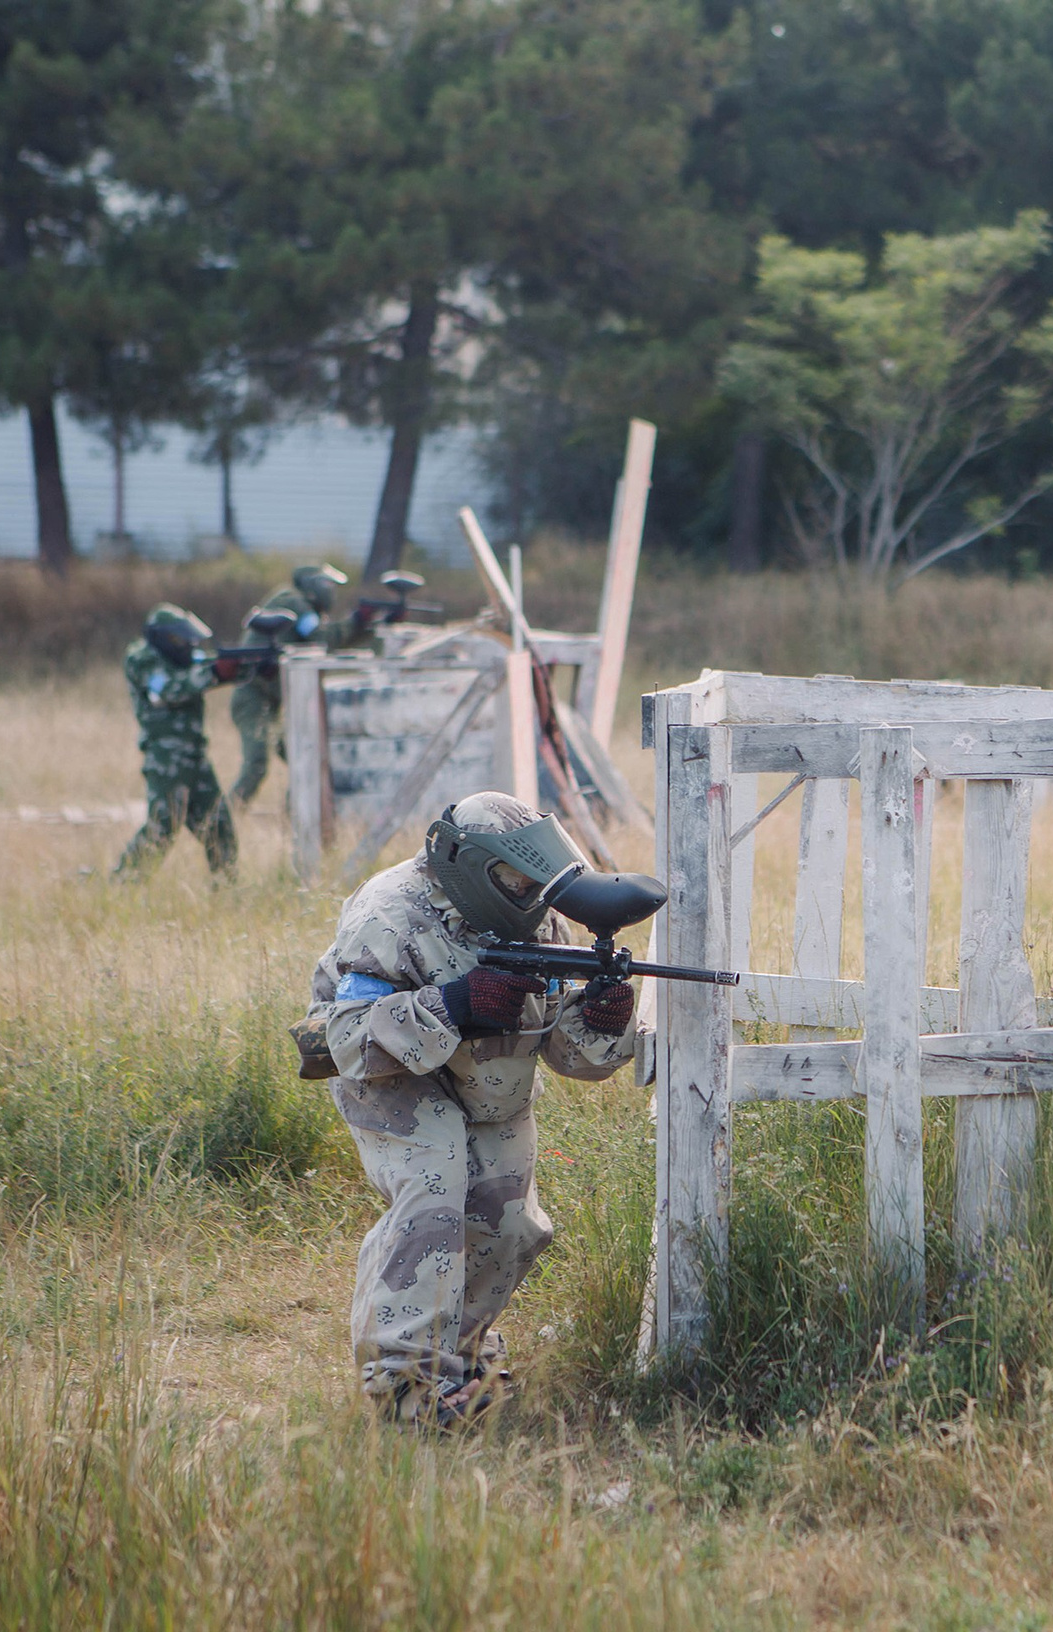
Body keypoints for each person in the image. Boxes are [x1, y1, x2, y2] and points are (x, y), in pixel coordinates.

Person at [304, 792, 640, 1429]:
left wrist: (601, 1018)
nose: (530, 895)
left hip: (487, 1075)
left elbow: (567, 1049)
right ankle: (404, 1387)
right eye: (515, 881)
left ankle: (457, 1358)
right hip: (389, 1072)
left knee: (510, 1222)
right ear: (471, 867)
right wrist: (456, 1005)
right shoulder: (389, 914)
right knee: (436, 1192)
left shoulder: (540, 919)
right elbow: (341, 1039)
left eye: (536, 883)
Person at [114, 603, 238, 879]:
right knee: (163, 826)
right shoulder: (142, 659)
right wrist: (215, 672)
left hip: (195, 755)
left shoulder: (181, 659)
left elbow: (200, 671)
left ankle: (229, 893)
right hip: (166, 756)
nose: (187, 646)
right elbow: (172, 688)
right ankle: (122, 887)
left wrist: (244, 669)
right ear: (163, 637)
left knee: (219, 827)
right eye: (180, 639)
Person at [228, 562, 352, 806]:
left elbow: (325, 641)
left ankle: (295, 816)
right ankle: (225, 818)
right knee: (257, 763)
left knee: (304, 759)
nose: (332, 592)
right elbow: (323, 639)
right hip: (253, 697)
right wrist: (359, 621)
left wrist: (363, 624)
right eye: (327, 584)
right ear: (312, 585)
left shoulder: (300, 604)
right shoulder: (294, 602)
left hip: (271, 701)